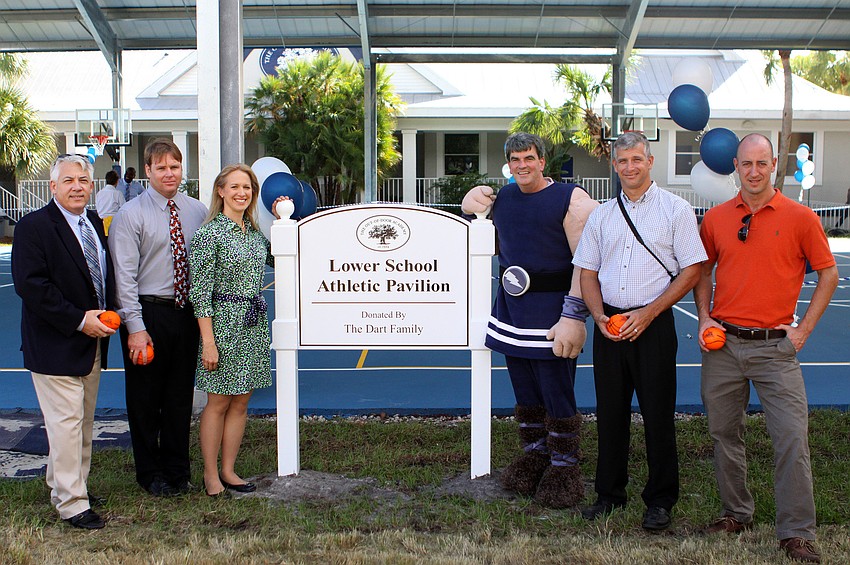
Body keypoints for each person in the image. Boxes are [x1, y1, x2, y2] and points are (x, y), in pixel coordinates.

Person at [695, 133, 837, 563]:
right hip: (723, 347)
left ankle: (796, 531)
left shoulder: (800, 218)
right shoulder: (716, 219)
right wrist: (704, 318)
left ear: (774, 164)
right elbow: (702, 272)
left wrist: (803, 331)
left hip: (776, 349)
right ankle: (736, 513)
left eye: (762, 163)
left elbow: (828, 275)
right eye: (746, 164)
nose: (754, 171)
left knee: (791, 437)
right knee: (724, 434)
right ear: (735, 166)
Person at [572, 131, 706, 530]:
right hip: (610, 327)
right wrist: (598, 317)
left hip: (654, 324)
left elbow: (693, 269)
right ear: (614, 166)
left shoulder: (676, 210)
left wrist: (649, 313)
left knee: (658, 415)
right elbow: (588, 273)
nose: (630, 167)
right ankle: (609, 494)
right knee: (610, 414)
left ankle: (660, 500)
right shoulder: (601, 215)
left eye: (636, 159)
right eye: (622, 161)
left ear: (649, 161)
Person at [461, 132, 598, 508]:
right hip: (512, 311)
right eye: (515, 159)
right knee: (524, 391)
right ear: (509, 164)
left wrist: (574, 314)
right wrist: (469, 206)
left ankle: (564, 465)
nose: (522, 165)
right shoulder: (503, 199)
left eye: (529, 158)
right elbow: (485, 240)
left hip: (553, 312)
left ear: (542, 161)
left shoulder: (570, 199)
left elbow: (587, 261)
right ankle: (536, 455)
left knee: (557, 392)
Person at [11, 154, 117, 529]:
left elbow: (101, 276)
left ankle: (70, 485)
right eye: (68, 181)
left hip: (92, 342)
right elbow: (31, 286)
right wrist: (79, 320)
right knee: (67, 424)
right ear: (53, 186)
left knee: (80, 423)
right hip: (55, 342)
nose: (77, 187)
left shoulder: (93, 222)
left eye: (83, 181)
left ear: (92, 186)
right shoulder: (33, 227)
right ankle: (72, 503)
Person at [109, 138, 208, 497]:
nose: (169, 173)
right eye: (161, 167)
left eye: (175, 167)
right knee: (146, 399)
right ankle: (150, 473)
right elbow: (124, 278)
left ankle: (178, 470)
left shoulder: (197, 211)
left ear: (182, 169)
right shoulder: (130, 214)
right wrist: (136, 328)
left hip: (185, 314)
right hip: (147, 314)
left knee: (180, 397)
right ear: (148, 170)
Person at [189, 164, 287, 497]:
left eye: (247, 188)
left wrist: (285, 217)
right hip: (222, 326)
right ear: (220, 191)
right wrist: (208, 342)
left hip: (253, 325)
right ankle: (210, 474)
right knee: (218, 402)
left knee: (241, 402)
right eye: (234, 187)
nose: (241, 193)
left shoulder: (255, 234)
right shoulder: (209, 234)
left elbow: (282, 257)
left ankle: (229, 470)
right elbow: (200, 293)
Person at [95, 169, 125, 235]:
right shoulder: (117, 193)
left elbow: (97, 208)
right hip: (114, 223)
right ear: (117, 181)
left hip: (101, 223)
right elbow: (123, 209)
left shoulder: (99, 193)